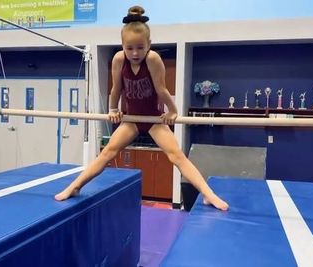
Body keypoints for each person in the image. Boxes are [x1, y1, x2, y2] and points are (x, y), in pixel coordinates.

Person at [55, 6, 229, 211]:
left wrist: (173, 111)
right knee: (106, 153)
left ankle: (208, 195)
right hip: (132, 119)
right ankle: (75, 187)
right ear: (122, 46)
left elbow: (162, 90)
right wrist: (112, 110)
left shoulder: (153, 59)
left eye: (140, 47)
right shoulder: (119, 59)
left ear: (149, 45)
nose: (135, 53)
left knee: (177, 157)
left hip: (154, 120)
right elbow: (116, 90)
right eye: (129, 48)